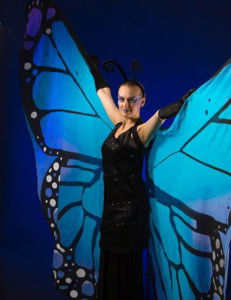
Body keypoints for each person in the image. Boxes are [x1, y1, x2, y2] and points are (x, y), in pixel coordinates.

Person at [88, 58, 193, 300]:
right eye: (122, 99)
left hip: (130, 213)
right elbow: (103, 92)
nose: (125, 104)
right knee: (110, 266)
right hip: (110, 212)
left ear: (141, 101)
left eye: (131, 100)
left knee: (126, 273)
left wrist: (182, 103)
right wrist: (92, 67)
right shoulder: (117, 125)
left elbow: (160, 115)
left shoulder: (142, 131)